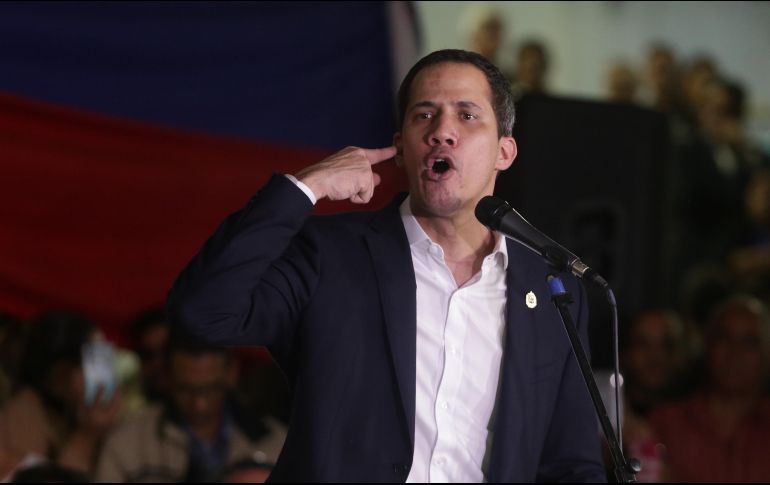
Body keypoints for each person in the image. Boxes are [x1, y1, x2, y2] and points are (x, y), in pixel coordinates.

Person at [167, 49, 605, 482]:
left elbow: (571, 463)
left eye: (467, 115)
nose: (442, 132)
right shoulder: (329, 254)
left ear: (504, 152)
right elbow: (202, 314)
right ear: (400, 148)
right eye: (424, 115)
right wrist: (306, 187)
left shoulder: (551, 288)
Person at [94, 330, 285, 482]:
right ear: (167, 377)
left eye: (211, 389)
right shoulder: (128, 443)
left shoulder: (276, 443)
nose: (199, 405)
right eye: (185, 390)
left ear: (232, 373)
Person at [649, 296, 770, 482]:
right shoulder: (667, 424)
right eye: (724, 338)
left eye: (749, 342)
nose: (735, 352)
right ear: (707, 346)